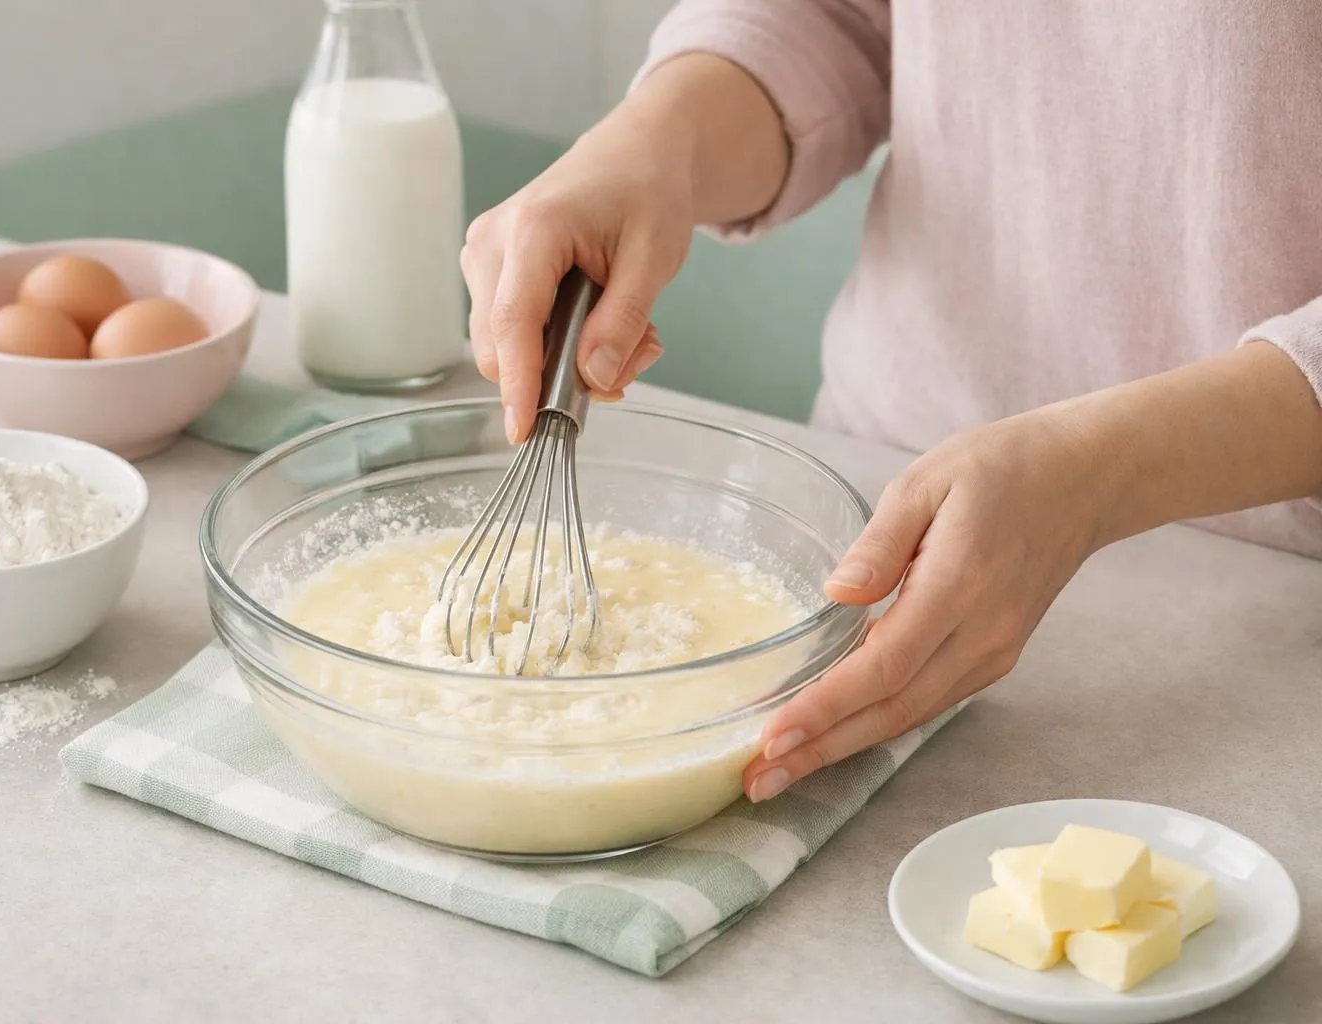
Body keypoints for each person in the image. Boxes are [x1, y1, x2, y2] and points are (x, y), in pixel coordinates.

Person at [458, 2, 1322, 803]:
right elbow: (843, 16)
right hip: (874, 530)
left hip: (1265, 603)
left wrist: (1097, 471)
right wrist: (661, 139)